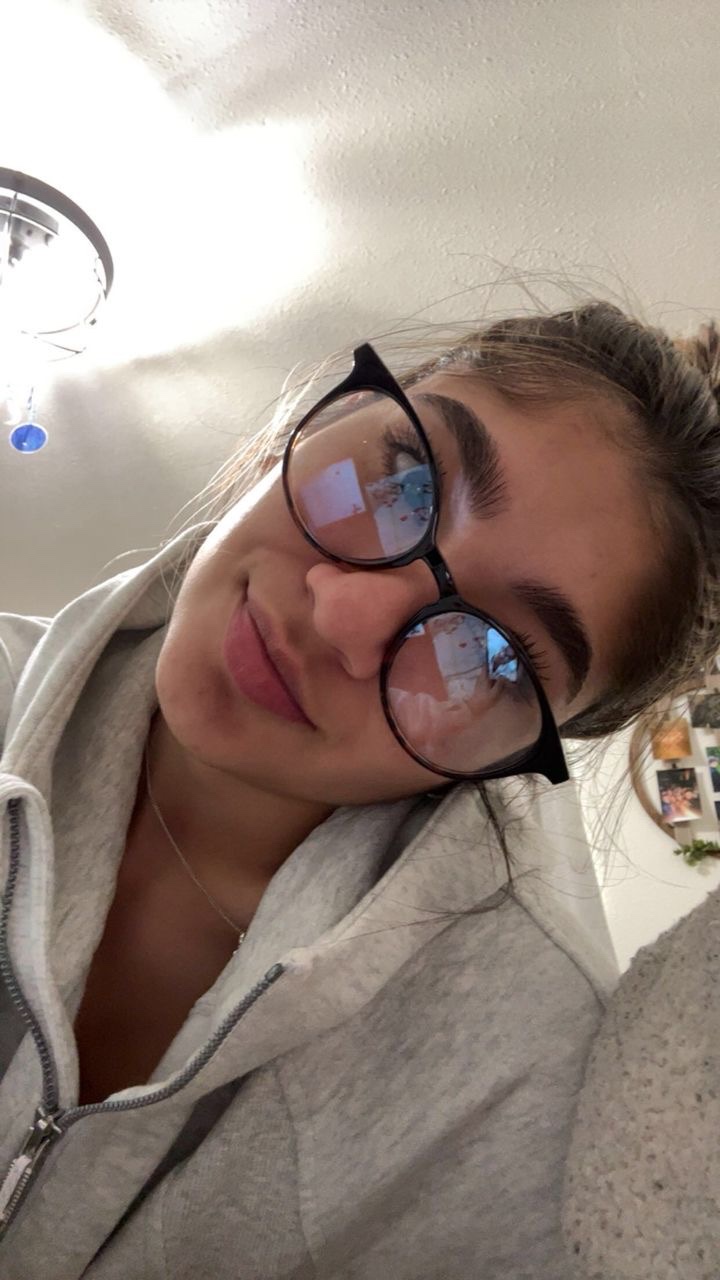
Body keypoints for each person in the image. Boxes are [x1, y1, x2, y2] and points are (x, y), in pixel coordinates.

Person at [0, 299, 718, 1279]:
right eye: (404, 478)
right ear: (322, 417)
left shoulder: (513, 1083)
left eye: (491, 658)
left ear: (514, 762)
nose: (344, 614)